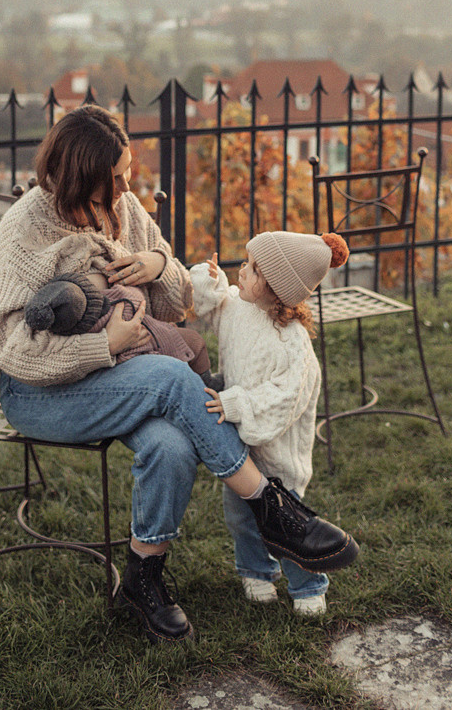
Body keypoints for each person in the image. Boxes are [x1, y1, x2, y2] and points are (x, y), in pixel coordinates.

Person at [0, 104, 358, 644]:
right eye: (114, 178)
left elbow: (179, 298)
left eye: (127, 173)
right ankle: (272, 509)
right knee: (170, 378)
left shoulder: (124, 209)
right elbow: (11, 347)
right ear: (79, 174)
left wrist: (158, 265)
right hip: (41, 393)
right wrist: (102, 343)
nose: (125, 187)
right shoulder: (26, 229)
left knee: (174, 445)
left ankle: (143, 576)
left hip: (125, 377)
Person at [189, 230, 351, 616]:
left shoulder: (293, 346)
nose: (241, 271)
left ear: (276, 289)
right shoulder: (240, 307)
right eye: (245, 262)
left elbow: (284, 399)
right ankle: (256, 571)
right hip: (243, 451)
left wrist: (237, 404)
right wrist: (207, 282)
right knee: (241, 516)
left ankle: (309, 585)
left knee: (286, 526)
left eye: (252, 269)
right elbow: (213, 307)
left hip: (278, 457)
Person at [23, 267, 222, 388]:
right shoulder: (115, 303)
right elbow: (135, 298)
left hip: (136, 346)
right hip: (144, 344)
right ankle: (206, 383)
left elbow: (179, 301)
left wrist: (160, 264)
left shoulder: (76, 323)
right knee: (195, 343)